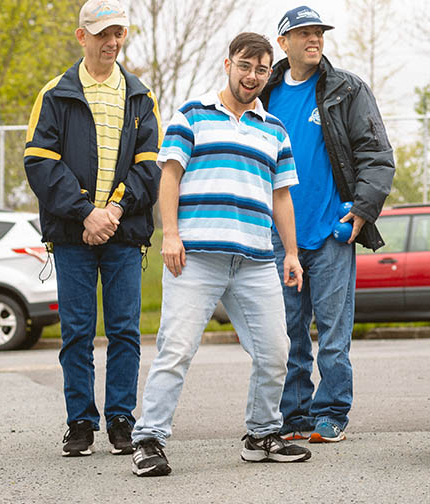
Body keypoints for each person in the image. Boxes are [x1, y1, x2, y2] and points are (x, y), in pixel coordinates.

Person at [130, 32, 312, 477]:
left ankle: (262, 434)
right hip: (195, 258)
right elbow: (168, 178)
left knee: (276, 351)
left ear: (270, 73)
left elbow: (282, 197)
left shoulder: (274, 129)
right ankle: (149, 440)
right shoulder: (191, 115)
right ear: (227, 64)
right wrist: (169, 235)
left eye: (262, 69)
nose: (252, 76)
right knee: (176, 349)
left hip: (254, 260)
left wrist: (290, 253)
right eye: (245, 65)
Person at [23, 0, 161, 457]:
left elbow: (148, 166)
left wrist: (113, 212)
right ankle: (80, 422)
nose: (112, 41)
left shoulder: (141, 96)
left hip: (122, 233)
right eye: (102, 33)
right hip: (73, 235)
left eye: (118, 32)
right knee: (77, 332)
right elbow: (40, 164)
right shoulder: (55, 94)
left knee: (124, 330)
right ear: (82, 36)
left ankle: (122, 418)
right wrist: (85, 214)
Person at [259, 5, 395, 444]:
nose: (313, 39)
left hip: (331, 235)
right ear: (284, 43)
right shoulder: (265, 93)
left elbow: (377, 155)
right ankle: (294, 415)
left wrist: (362, 209)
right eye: (303, 33)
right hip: (280, 240)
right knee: (289, 335)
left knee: (333, 336)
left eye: (318, 32)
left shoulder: (346, 89)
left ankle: (331, 412)